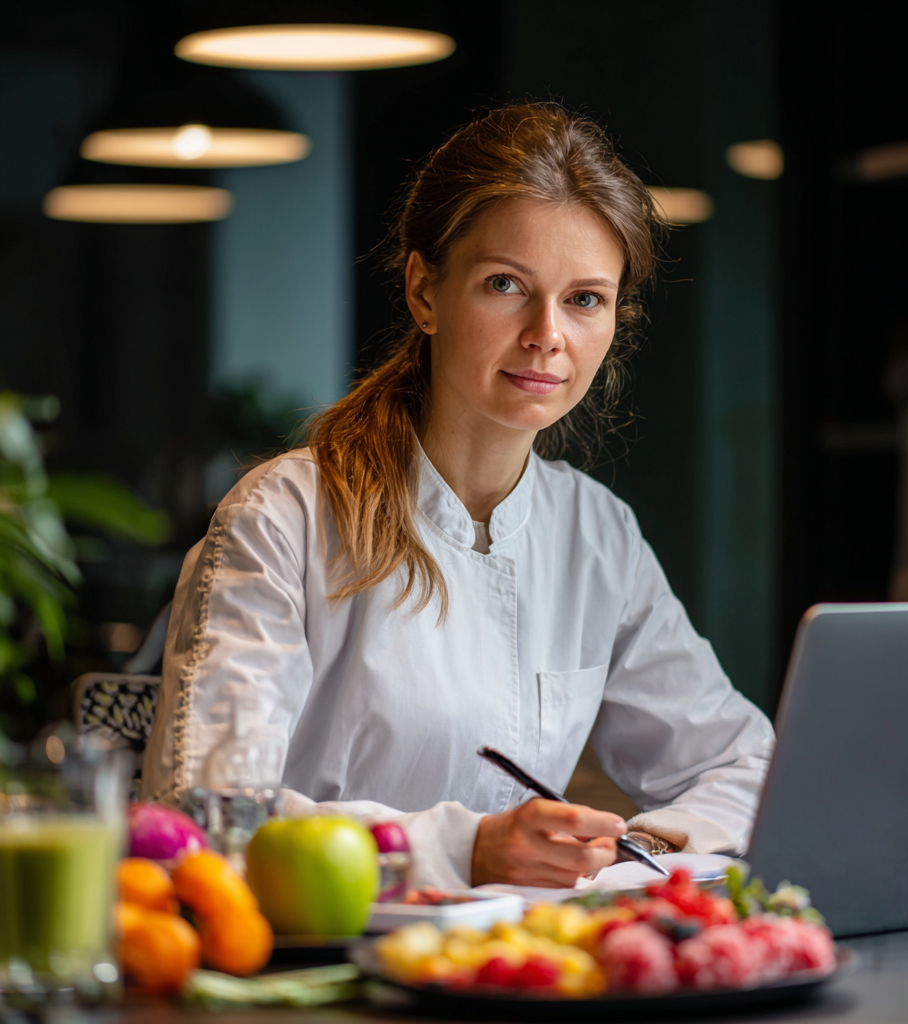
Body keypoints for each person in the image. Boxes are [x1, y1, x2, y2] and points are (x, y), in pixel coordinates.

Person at [141, 103, 774, 889]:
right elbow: (202, 818)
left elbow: (747, 763)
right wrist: (457, 850)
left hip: (518, 974)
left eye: (585, 299)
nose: (548, 333)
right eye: (505, 285)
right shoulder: (283, 517)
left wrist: (641, 848)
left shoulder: (597, 535)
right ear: (423, 291)